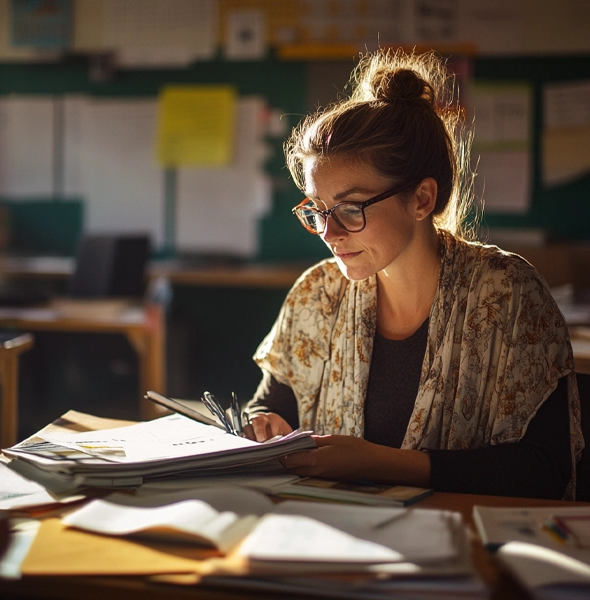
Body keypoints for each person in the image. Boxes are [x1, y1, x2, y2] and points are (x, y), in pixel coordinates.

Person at [243, 48, 583, 499]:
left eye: (350, 208)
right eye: (317, 211)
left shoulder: (508, 295)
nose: (328, 233)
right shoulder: (317, 294)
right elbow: (270, 405)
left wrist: (379, 463)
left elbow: (544, 468)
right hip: (332, 538)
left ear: (422, 199)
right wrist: (261, 425)